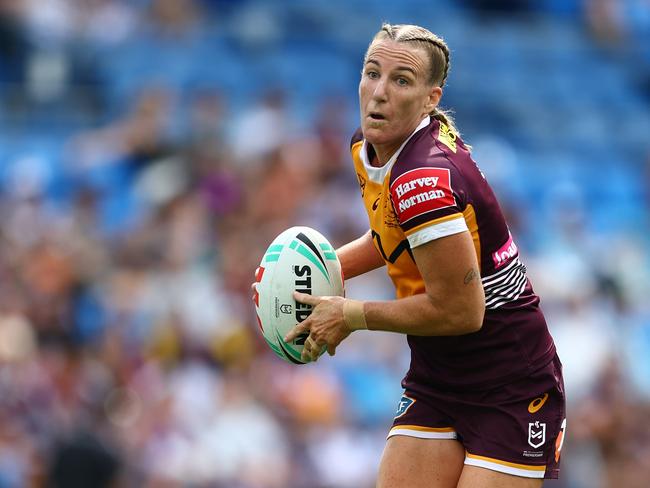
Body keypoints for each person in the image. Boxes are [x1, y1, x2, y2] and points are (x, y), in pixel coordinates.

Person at [282, 23, 566, 487]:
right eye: (371, 73)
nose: (378, 93)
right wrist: (319, 269)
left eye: (401, 81)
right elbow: (395, 239)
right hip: (438, 374)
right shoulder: (369, 147)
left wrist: (351, 314)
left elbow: (461, 311)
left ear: (431, 98)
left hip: (511, 383)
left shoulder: (425, 180)